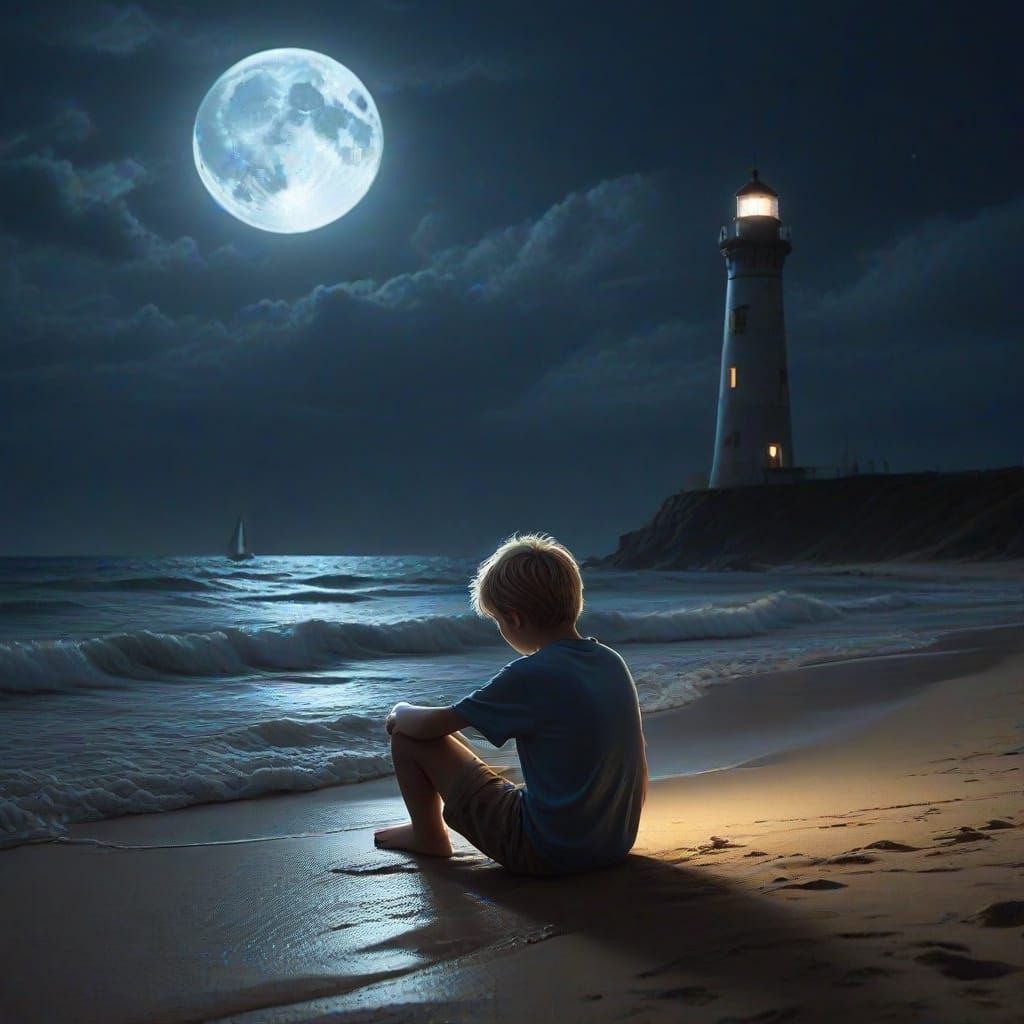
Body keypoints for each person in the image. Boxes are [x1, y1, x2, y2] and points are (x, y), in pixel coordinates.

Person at [373, 533, 648, 875]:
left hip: (544, 850)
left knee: (408, 737)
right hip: (613, 841)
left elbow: (430, 725)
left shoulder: (530, 674)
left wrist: (399, 709)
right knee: (454, 739)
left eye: (498, 622)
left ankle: (428, 835)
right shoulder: (610, 661)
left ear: (514, 619)